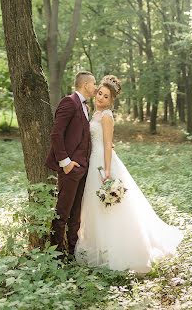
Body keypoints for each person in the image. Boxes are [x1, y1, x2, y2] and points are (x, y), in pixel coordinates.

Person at [75, 75, 183, 273]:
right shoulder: (95, 114)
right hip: (93, 160)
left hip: (102, 162)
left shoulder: (107, 116)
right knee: (96, 206)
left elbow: (108, 144)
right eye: (99, 93)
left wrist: (107, 170)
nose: (100, 98)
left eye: (106, 97)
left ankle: (118, 249)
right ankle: (100, 244)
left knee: (111, 206)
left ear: (111, 101)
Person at [45, 70, 97, 259]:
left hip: (83, 168)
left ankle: (72, 252)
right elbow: (56, 134)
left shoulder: (85, 107)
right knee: (62, 212)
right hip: (70, 168)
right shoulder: (69, 102)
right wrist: (65, 162)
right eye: (94, 84)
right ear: (85, 85)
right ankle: (55, 255)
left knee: (76, 214)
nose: (96, 87)